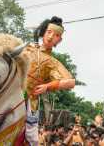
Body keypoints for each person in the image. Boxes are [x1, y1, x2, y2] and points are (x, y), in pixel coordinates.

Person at [20, 16, 75, 145]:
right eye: (49, 32)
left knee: (32, 140)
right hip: (11, 91)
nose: (50, 37)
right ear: (43, 32)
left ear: (59, 40)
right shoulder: (26, 48)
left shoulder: (52, 62)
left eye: (55, 35)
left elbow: (70, 82)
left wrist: (47, 86)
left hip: (29, 101)